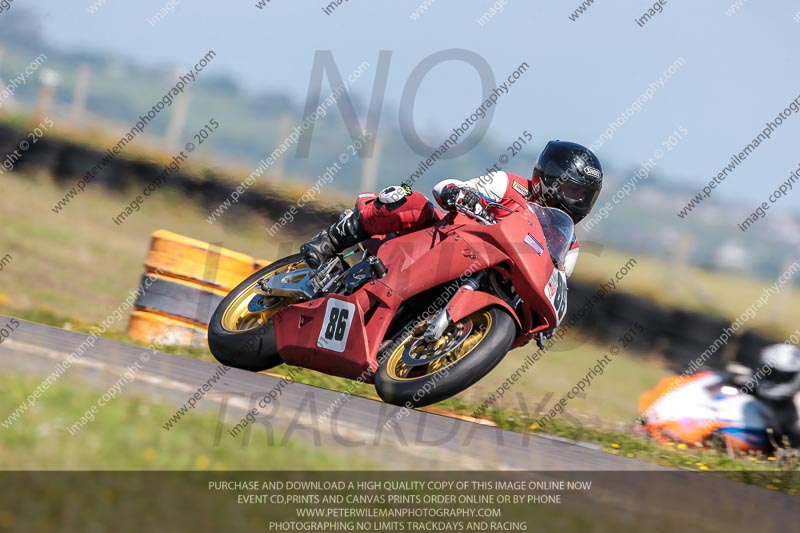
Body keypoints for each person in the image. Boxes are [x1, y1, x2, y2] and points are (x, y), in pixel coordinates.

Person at [300, 140, 603, 278]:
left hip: (487, 276)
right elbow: (446, 187)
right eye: (572, 189)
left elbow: (555, 284)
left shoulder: (569, 244)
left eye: (584, 195)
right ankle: (331, 240)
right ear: (548, 179)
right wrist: (462, 195)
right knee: (410, 201)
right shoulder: (507, 184)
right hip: (443, 239)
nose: (576, 200)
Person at [754, 344, 800, 448]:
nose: (774, 379)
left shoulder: (797, 401)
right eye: (770, 372)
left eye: (781, 375)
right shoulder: (752, 383)